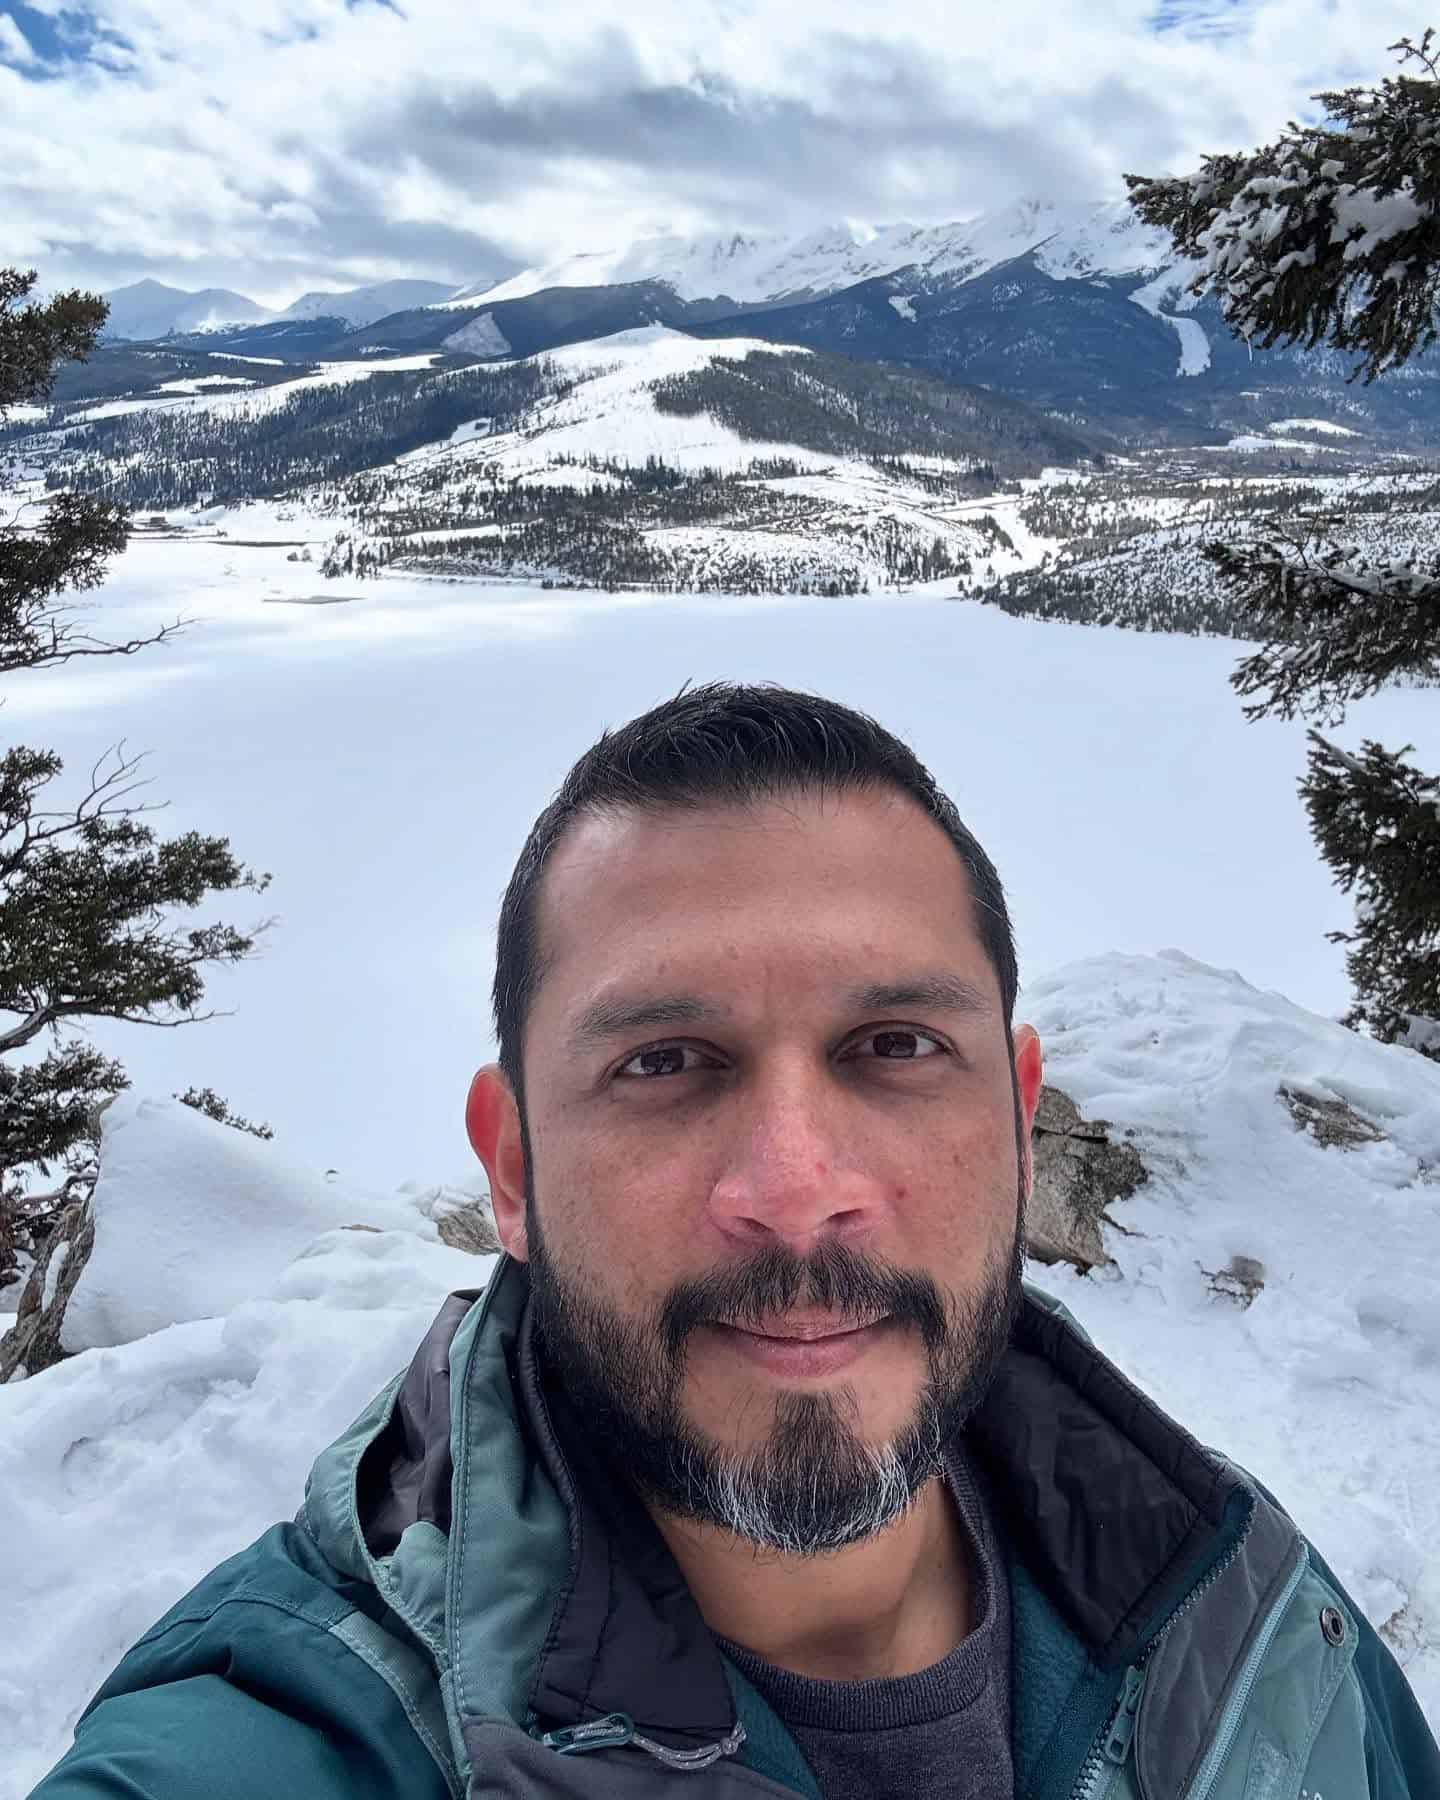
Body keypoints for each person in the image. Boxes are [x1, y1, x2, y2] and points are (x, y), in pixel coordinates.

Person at [31, 683, 1439, 1799]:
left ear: (1019, 1124)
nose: (794, 1186)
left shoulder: (1232, 1600)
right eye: (666, 1062)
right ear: (512, 1168)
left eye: (893, 1046)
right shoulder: (288, 1739)